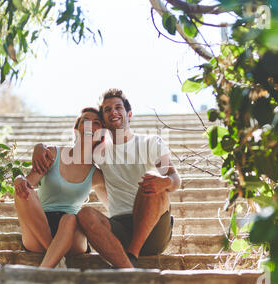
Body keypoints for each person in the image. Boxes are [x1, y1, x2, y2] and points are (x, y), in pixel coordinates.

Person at [32, 89, 180, 268]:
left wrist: (165, 182)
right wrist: (40, 147)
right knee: (84, 214)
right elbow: (73, 152)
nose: (113, 112)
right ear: (103, 121)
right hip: (120, 229)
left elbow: (174, 178)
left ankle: (132, 254)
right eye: (107, 110)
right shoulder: (99, 153)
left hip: (154, 228)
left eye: (118, 107)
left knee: (151, 181)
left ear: (129, 114)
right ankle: (128, 270)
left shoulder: (151, 142)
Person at [14, 107, 107, 268]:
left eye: (96, 122)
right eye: (85, 121)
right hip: (39, 228)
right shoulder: (52, 154)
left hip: (72, 235)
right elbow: (28, 184)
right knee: (22, 191)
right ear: (76, 129)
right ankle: (55, 257)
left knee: (70, 218)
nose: (90, 125)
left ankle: (45, 269)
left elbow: (119, 199)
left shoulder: (96, 174)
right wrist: (18, 179)